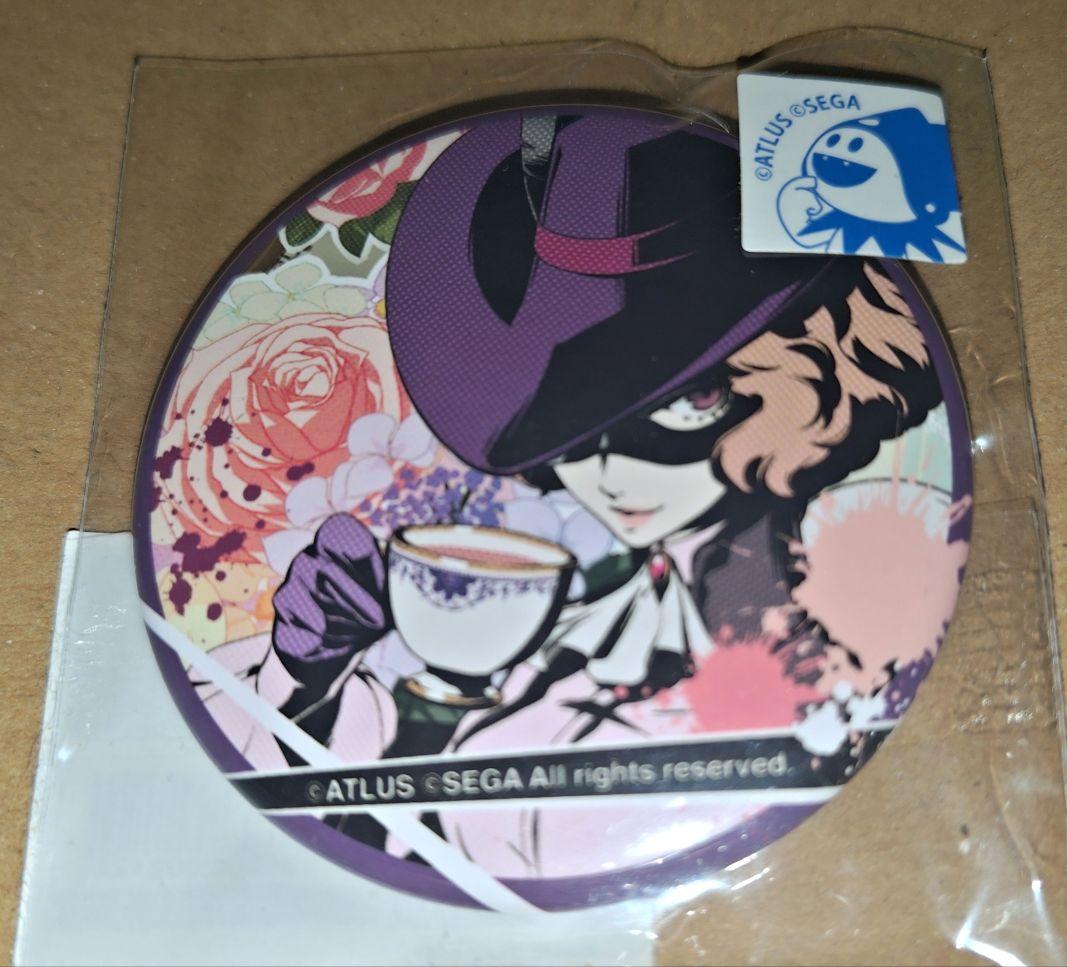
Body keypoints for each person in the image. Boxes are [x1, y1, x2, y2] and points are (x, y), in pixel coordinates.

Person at [255, 111, 945, 872]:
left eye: (691, 402)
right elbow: (378, 828)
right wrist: (304, 674)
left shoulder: (866, 575)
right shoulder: (594, 624)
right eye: (570, 431)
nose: (608, 475)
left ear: (815, 372)